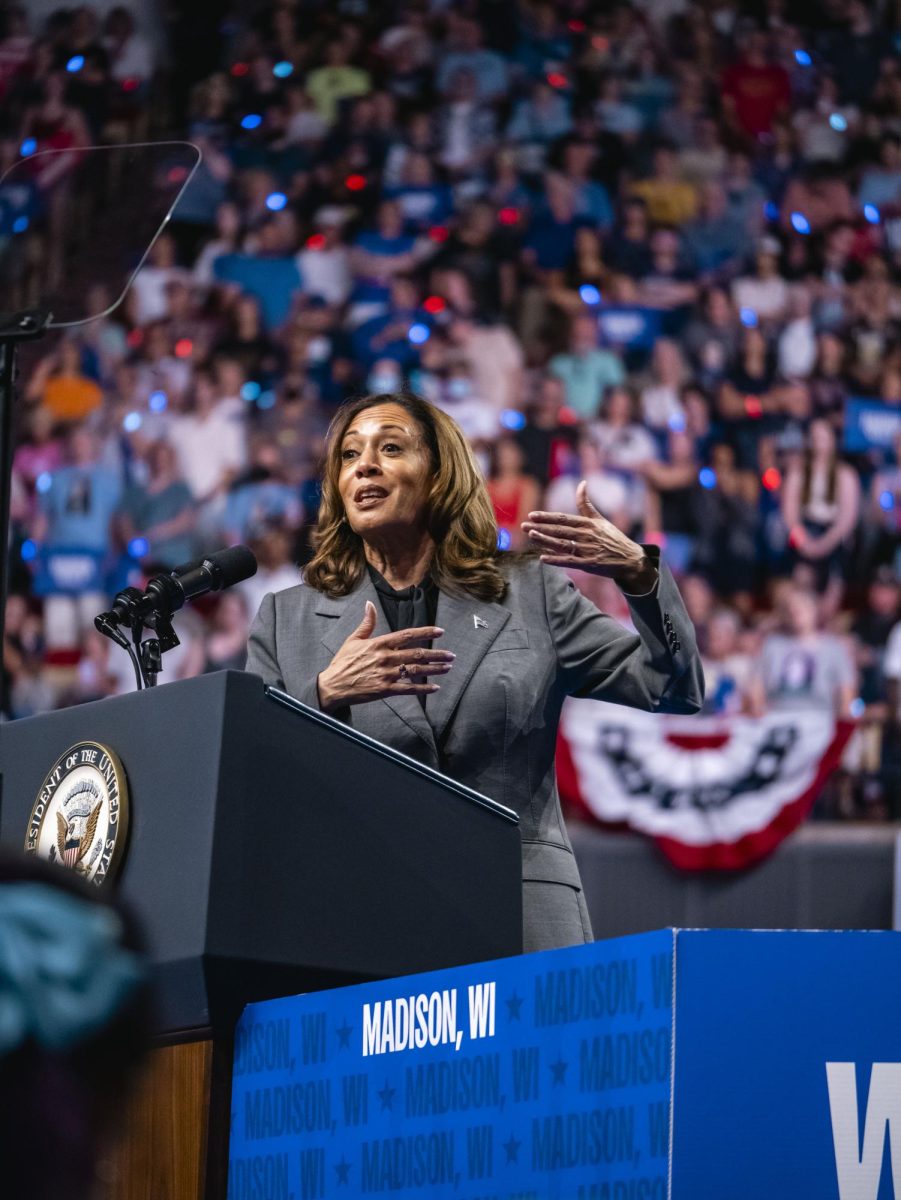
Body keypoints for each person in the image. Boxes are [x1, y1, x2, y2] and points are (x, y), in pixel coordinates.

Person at [246, 392, 703, 952]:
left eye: (391, 448)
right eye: (348, 455)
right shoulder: (284, 618)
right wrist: (322, 695)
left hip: (520, 910)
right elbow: (255, 784)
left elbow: (674, 689)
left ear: (440, 476)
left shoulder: (531, 592)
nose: (364, 464)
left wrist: (639, 577)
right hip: (364, 918)